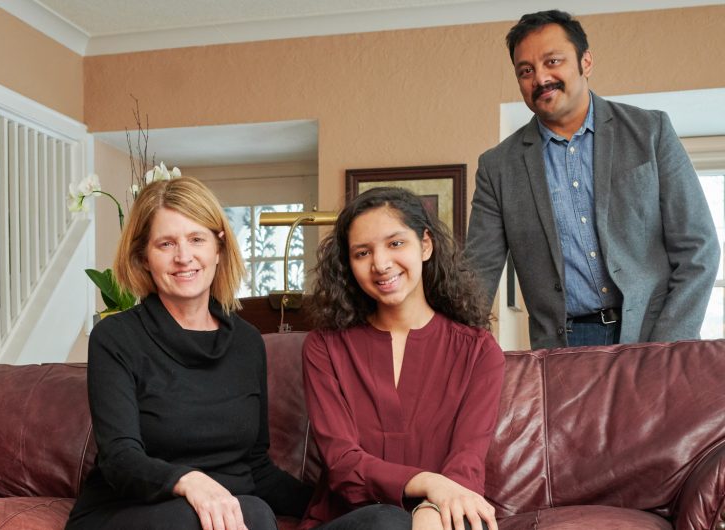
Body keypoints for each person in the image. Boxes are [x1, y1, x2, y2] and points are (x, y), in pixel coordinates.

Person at [66, 176, 312, 530]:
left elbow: (256, 466)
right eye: (166, 243)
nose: (184, 257)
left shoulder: (247, 343)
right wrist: (189, 481)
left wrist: (335, 502)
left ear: (219, 247)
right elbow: (120, 460)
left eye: (197, 239)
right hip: (127, 513)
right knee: (249, 513)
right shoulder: (116, 338)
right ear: (143, 258)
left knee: (380, 518)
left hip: (229, 515)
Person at [465, 9, 719, 349]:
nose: (540, 78)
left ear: (585, 62)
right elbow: (475, 281)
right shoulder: (497, 167)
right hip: (561, 348)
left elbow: (698, 249)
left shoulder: (650, 132)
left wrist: (667, 345)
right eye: (526, 71)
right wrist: (460, 357)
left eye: (552, 61)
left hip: (654, 334)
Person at [301, 187, 504, 530]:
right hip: (351, 521)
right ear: (349, 265)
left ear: (425, 245)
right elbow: (342, 464)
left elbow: (467, 459)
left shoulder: (479, 351)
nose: (380, 264)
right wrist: (430, 484)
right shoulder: (324, 348)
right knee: (388, 522)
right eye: (362, 252)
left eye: (396, 243)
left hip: (443, 513)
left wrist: (432, 506)